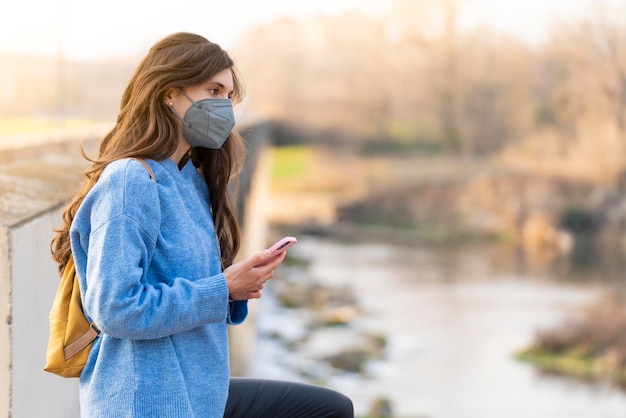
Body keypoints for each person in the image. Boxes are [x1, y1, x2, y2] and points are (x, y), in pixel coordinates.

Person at [50, 32, 354, 418]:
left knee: (330, 409)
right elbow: (115, 308)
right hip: (147, 401)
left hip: (198, 392)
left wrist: (237, 286)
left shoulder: (190, 178)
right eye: (213, 89)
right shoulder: (130, 180)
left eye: (228, 95)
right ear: (169, 93)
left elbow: (190, 286)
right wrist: (223, 287)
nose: (225, 106)